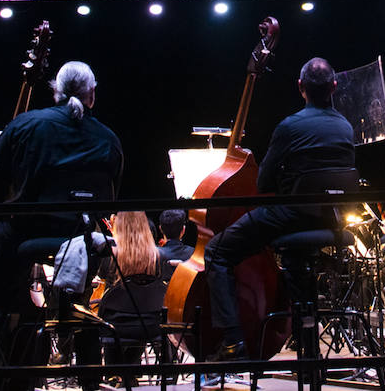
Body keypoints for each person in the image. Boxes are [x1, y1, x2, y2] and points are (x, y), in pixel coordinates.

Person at [0, 60, 123, 391]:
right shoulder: (108, 139)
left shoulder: (26, 124)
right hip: (81, 242)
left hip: (24, 236)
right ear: (92, 95)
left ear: (55, 91)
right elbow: (110, 201)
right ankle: (88, 378)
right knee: (82, 301)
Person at [204, 57, 356, 361]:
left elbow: (263, 181)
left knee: (216, 252)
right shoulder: (345, 127)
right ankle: (306, 344)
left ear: (300, 87)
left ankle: (234, 342)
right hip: (331, 219)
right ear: (334, 87)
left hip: (290, 217)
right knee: (294, 258)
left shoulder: (289, 126)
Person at [95, 211, 168, 368]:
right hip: (150, 325)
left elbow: (100, 274)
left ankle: (114, 374)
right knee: (141, 307)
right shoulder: (158, 257)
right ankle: (129, 371)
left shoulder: (110, 255)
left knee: (114, 309)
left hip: (114, 326)